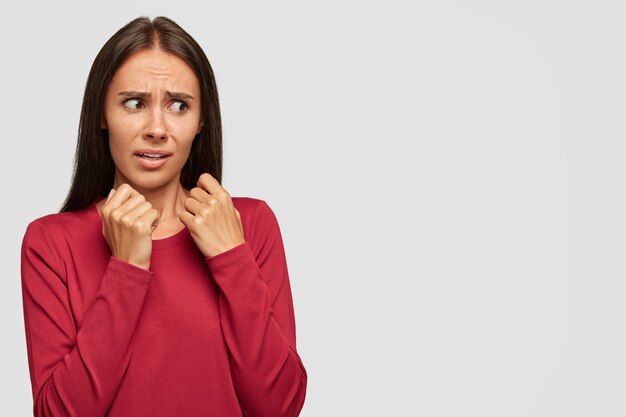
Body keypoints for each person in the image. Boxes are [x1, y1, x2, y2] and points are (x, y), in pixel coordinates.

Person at [20, 16, 307, 417]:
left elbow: (281, 407)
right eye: (134, 103)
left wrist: (232, 258)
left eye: (179, 105)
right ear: (102, 113)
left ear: (201, 120)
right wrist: (126, 269)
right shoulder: (51, 242)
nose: (156, 128)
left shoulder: (250, 224)